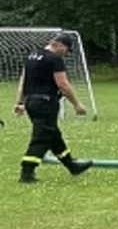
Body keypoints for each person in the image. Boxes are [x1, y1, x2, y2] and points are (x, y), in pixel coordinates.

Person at [14, 32, 91, 182]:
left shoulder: (32, 56)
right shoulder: (54, 59)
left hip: (31, 102)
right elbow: (63, 84)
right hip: (45, 103)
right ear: (59, 45)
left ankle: (72, 165)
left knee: (53, 135)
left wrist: (21, 102)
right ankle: (27, 171)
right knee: (42, 138)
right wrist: (77, 104)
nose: (66, 54)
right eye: (67, 50)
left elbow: (24, 81)